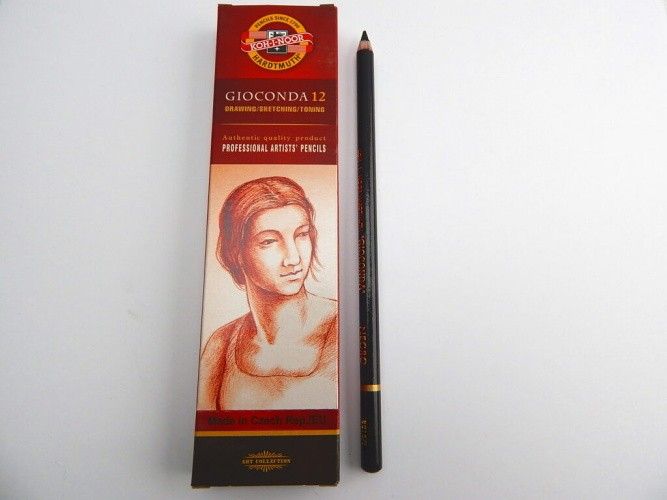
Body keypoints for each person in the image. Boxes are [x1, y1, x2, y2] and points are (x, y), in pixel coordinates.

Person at [198, 176, 338, 410]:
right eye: (269, 241)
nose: (293, 258)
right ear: (236, 252)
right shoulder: (221, 345)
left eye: (302, 235)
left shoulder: (344, 326)